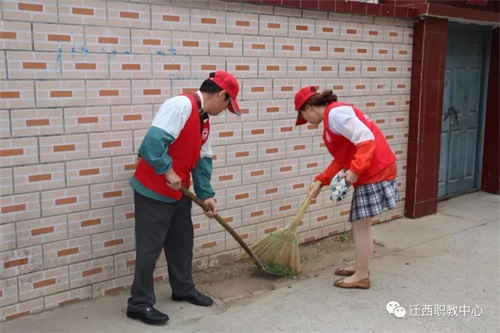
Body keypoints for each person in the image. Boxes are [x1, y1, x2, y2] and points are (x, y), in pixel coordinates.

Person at [127, 71, 242, 325]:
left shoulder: (205, 120)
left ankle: (183, 289)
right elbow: (151, 145)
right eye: (228, 105)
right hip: (153, 190)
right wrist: (168, 170)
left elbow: (202, 160)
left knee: (181, 242)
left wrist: (207, 195)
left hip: (180, 191)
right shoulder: (180, 105)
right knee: (150, 248)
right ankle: (139, 303)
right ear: (222, 95)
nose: (226, 110)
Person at [293, 86, 399, 289]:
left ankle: (361, 276)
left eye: (303, 116)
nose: (306, 122)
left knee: (361, 225)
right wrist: (322, 180)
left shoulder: (335, 114)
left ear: (307, 107)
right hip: (375, 168)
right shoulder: (334, 115)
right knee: (360, 225)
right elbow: (344, 157)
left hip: (375, 170)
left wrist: (355, 170)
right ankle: (360, 267)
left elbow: (367, 140)